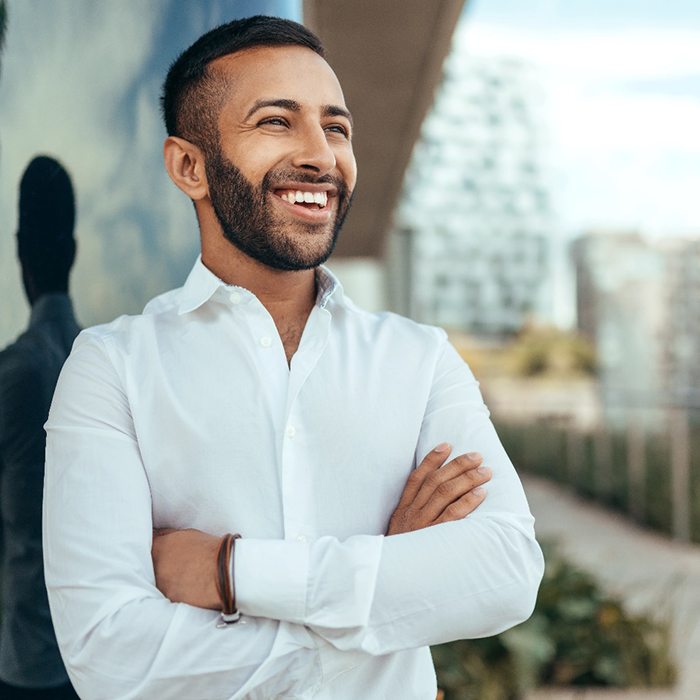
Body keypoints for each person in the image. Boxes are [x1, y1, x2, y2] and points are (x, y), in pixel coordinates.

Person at [43, 15, 544, 700]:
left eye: (336, 127)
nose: (320, 155)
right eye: (277, 122)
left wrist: (231, 573)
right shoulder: (111, 369)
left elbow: (505, 572)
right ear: (189, 166)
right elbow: (110, 657)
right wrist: (387, 590)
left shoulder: (419, 360)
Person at [0, 156, 80, 699]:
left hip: (27, 663)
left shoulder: (12, 375)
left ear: (19, 252)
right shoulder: (102, 363)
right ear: (72, 253)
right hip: (93, 660)